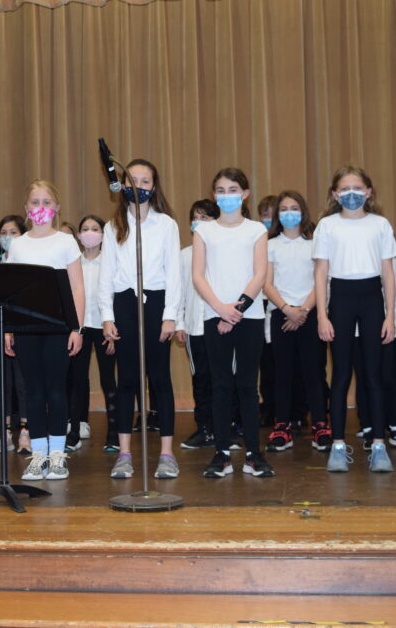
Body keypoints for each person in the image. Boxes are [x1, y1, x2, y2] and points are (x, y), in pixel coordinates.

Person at [313, 165, 396, 474]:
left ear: (369, 192)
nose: (352, 194)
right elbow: (321, 272)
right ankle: (337, 444)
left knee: (373, 375)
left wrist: (390, 315)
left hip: (372, 296)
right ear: (335, 194)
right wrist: (322, 315)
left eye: (357, 188)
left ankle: (378, 444)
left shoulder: (380, 224)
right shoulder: (327, 226)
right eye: (345, 189)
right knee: (340, 376)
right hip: (342, 297)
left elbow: (388, 272)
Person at [100, 160, 182, 480]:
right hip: (124, 303)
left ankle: (165, 454)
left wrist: (171, 315)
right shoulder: (113, 226)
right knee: (128, 381)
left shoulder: (166, 225)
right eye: (132, 180)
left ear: (154, 186)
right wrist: (107, 316)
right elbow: (105, 276)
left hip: (157, 302)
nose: (139, 186)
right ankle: (124, 454)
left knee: (160, 378)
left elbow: (174, 273)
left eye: (145, 181)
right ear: (122, 186)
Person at [193, 167, 273, 478]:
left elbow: (259, 274)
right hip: (215, 315)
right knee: (221, 385)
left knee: (247, 386)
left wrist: (236, 311)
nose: (227, 196)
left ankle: (254, 453)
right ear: (215, 195)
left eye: (233, 189)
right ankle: (222, 454)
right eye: (221, 190)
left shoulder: (256, 230)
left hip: (249, 315)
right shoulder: (204, 231)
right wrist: (221, 309)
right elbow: (198, 275)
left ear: (245, 193)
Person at [5, 180, 85, 480]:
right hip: (26, 327)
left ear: (57, 208)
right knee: (33, 393)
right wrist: (10, 327)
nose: (41, 208)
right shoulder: (18, 244)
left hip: (58, 327)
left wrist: (75, 327)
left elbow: (77, 287)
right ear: (26, 209)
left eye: (47, 202)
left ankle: (57, 455)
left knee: (56, 390)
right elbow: (11, 289)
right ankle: (38, 455)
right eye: (35, 202)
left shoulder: (65, 242)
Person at [262, 191, 331, 453]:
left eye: (294, 208)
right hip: (281, 313)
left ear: (303, 211)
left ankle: (320, 425)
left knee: (313, 373)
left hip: (310, 312)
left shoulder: (314, 243)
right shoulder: (270, 245)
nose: (289, 213)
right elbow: (266, 283)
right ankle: (282, 426)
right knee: (282, 373)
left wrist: (302, 310)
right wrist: (287, 309)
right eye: (284, 209)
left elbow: (320, 280)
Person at [352, 255, 396, 452]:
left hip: (389, 329)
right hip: (357, 331)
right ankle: (368, 429)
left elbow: (395, 293)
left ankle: (395, 428)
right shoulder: (354, 263)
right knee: (364, 378)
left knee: (389, 378)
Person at [68, 215, 118, 452]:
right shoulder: (73, 262)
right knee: (77, 381)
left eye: (95, 228)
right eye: (85, 228)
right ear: (78, 235)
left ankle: (113, 434)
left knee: (109, 380)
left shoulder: (110, 262)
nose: (90, 233)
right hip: (80, 328)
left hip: (104, 328)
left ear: (103, 234)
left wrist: (113, 329)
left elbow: (116, 297)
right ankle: (75, 431)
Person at [0, 215, 31, 455]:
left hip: (22, 332)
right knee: (3, 384)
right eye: (4, 233)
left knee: (23, 384)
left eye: (14, 232)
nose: (8, 237)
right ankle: (5, 435)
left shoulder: (28, 264)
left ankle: (25, 432)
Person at [177, 199, 220, 450]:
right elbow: (180, 291)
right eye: (196, 217)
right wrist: (180, 323)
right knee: (201, 378)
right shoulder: (184, 255)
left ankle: (227, 426)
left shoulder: (225, 251)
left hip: (221, 324)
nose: (200, 222)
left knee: (225, 377)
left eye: (206, 217)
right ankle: (204, 427)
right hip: (195, 327)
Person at [256, 194, 278, 427]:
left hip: (282, 305)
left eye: (272, 215)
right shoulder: (256, 240)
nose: (268, 220)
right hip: (259, 304)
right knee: (265, 363)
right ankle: (268, 406)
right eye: (264, 215)